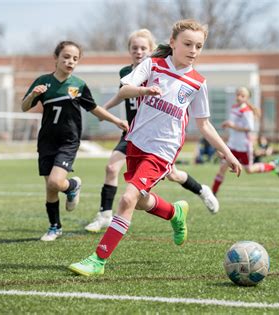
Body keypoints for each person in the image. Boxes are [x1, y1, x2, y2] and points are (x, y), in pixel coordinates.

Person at [69, 19, 242, 276]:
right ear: (172, 43)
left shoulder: (197, 83)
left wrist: (227, 153)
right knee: (138, 202)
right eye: (187, 44)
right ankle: (175, 212)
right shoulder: (152, 64)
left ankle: (98, 259)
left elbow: (204, 125)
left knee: (127, 198)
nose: (193, 50)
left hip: (163, 150)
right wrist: (144, 90)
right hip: (136, 143)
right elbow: (126, 89)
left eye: (199, 46)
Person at [85, 29, 219, 233]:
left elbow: (201, 121)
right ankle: (105, 214)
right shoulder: (127, 73)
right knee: (112, 169)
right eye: (134, 48)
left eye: (143, 48)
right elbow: (123, 94)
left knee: (172, 175)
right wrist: (104, 110)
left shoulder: (161, 69)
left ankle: (201, 190)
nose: (138, 52)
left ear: (152, 50)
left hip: (159, 138)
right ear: (129, 50)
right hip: (133, 133)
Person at [21, 41, 128, 242]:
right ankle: (55, 226)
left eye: (75, 58)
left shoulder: (78, 85)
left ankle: (71, 186)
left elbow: (94, 108)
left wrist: (116, 121)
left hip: (68, 141)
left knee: (55, 182)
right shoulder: (43, 82)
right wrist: (34, 95)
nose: (70, 61)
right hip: (46, 141)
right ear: (56, 58)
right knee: (50, 187)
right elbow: (24, 107)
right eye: (66, 57)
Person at [211, 87, 279, 196]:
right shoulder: (234, 108)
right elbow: (232, 127)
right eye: (238, 95)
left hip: (244, 146)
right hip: (232, 145)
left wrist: (232, 125)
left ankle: (272, 166)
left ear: (247, 98)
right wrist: (227, 133)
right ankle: (212, 194)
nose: (239, 97)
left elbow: (249, 128)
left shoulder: (247, 111)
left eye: (242, 96)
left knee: (249, 170)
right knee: (222, 168)